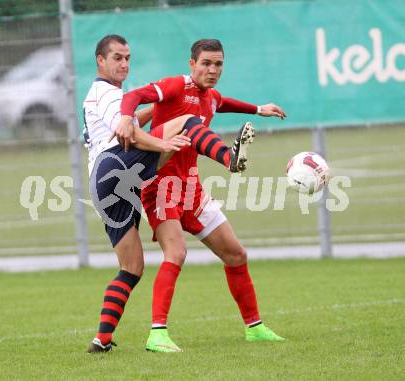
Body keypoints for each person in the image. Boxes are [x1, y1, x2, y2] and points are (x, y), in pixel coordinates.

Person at [85, 35, 255, 353]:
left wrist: (259, 109)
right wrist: (162, 142)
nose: (124, 63)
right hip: (113, 169)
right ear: (100, 61)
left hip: (111, 192)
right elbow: (128, 132)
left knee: (132, 267)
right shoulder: (107, 93)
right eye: (117, 57)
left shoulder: (108, 95)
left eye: (127, 57)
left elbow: (136, 119)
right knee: (187, 124)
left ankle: (102, 340)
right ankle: (229, 159)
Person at [114, 38, 287, 352]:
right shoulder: (175, 86)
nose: (212, 69)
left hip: (192, 189)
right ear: (192, 64)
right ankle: (157, 334)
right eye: (206, 63)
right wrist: (126, 117)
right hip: (160, 185)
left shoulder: (211, 97)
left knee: (236, 255)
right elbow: (135, 95)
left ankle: (255, 327)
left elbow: (226, 102)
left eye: (218, 64)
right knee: (176, 254)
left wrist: (260, 109)